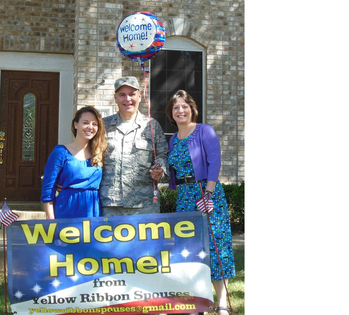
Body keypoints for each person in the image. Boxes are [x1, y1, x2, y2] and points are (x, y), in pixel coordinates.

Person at [166, 90, 236, 315]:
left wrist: (208, 194)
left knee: (216, 249)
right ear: (171, 113)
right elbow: (175, 171)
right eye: (176, 107)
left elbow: (214, 162)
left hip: (207, 193)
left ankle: (222, 301)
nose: (180, 110)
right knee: (191, 250)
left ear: (192, 109)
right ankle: (200, 302)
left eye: (184, 106)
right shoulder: (173, 139)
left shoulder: (205, 131)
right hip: (185, 196)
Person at [100, 76, 169, 216]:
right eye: (122, 95)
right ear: (115, 98)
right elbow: (89, 156)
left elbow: (162, 156)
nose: (127, 99)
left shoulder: (151, 125)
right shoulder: (103, 125)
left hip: (144, 205)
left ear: (139, 96)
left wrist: (160, 171)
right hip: (110, 204)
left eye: (132, 94)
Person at [41, 106, 107, 219]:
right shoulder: (60, 152)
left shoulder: (100, 152)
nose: (90, 127)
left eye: (94, 124)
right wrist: (51, 222)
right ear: (76, 124)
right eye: (85, 122)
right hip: (66, 209)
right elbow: (48, 191)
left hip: (92, 210)